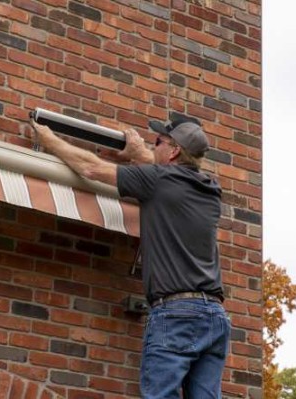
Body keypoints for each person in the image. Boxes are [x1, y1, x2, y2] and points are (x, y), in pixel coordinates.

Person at [30, 113, 230, 399]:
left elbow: (90, 167)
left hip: (176, 314)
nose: (153, 146)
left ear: (173, 151)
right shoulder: (209, 190)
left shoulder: (159, 180)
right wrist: (141, 155)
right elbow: (168, 175)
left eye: (158, 142)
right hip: (214, 317)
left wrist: (48, 138)